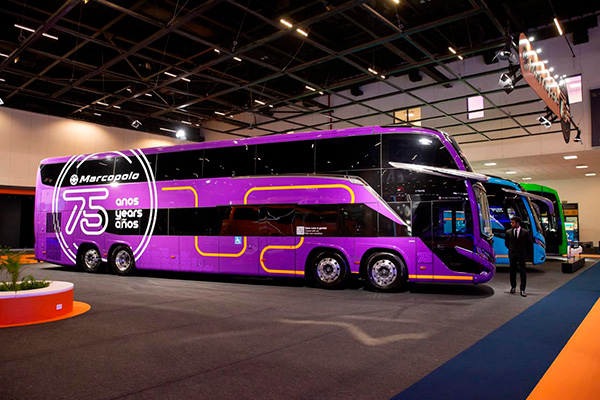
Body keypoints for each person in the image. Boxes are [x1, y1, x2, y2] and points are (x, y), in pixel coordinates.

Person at [505, 216, 531, 297]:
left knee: (523, 272)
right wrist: (512, 249)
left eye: (513, 222)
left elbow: (528, 244)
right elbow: (506, 243)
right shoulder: (508, 232)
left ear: (517, 223)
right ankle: (513, 287)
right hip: (512, 254)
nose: (511, 224)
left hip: (521, 255)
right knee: (512, 272)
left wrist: (525, 253)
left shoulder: (525, 232)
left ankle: (522, 289)